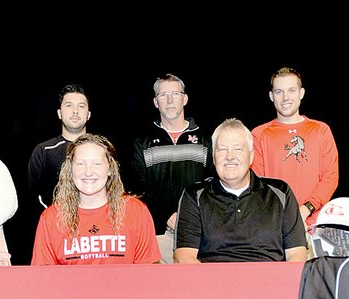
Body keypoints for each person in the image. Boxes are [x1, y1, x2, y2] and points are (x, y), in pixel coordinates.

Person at [174, 119, 307, 263]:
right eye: (222, 149)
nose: (229, 157)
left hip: (269, 282)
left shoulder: (281, 192)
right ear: (213, 157)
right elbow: (184, 257)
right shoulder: (194, 195)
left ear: (251, 156)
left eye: (238, 149)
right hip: (213, 282)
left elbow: (296, 255)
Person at [31, 134, 160, 265]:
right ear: (70, 169)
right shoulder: (51, 219)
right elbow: (44, 279)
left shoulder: (136, 211)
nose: (88, 172)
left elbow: (147, 275)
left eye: (96, 164)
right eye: (80, 164)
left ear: (110, 169)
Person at [131, 73, 212, 264]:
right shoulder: (142, 141)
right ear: (155, 102)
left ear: (184, 99)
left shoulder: (205, 138)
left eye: (175, 94)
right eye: (163, 95)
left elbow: (212, 183)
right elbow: (139, 188)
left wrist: (190, 219)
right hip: (159, 235)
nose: (169, 100)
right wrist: (167, 215)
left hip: (200, 235)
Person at [251, 67, 339, 234]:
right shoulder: (259, 134)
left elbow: (330, 177)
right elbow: (258, 183)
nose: (285, 98)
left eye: (291, 90)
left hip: (316, 225)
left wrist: (305, 210)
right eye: (279, 92)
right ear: (271, 96)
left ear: (301, 93)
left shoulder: (321, 130)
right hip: (276, 226)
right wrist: (287, 219)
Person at [28, 84, 91, 215]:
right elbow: (33, 196)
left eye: (81, 106)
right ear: (59, 113)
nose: (75, 111)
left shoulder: (103, 149)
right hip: (56, 227)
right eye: (69, 105)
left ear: (88, 114)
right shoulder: (44, 151)